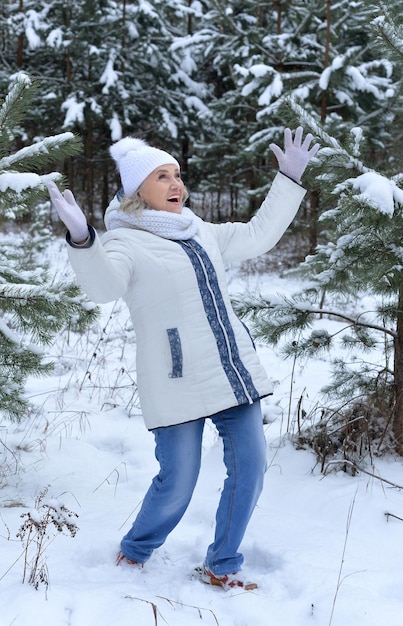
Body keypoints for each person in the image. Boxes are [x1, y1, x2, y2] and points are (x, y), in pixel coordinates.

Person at [47, 127, 319, 590]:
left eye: (176, 174)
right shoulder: (123, 242)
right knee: (178, 480)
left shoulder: (200, 230)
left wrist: (288, 180)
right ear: (137, 191)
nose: (176, 185)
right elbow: (103, 287)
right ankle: (135, 551)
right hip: (174, 379)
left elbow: (257, 235)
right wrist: (81, 239)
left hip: (231, 370)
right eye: (161, 176)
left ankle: (223, 564)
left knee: (250, 468)